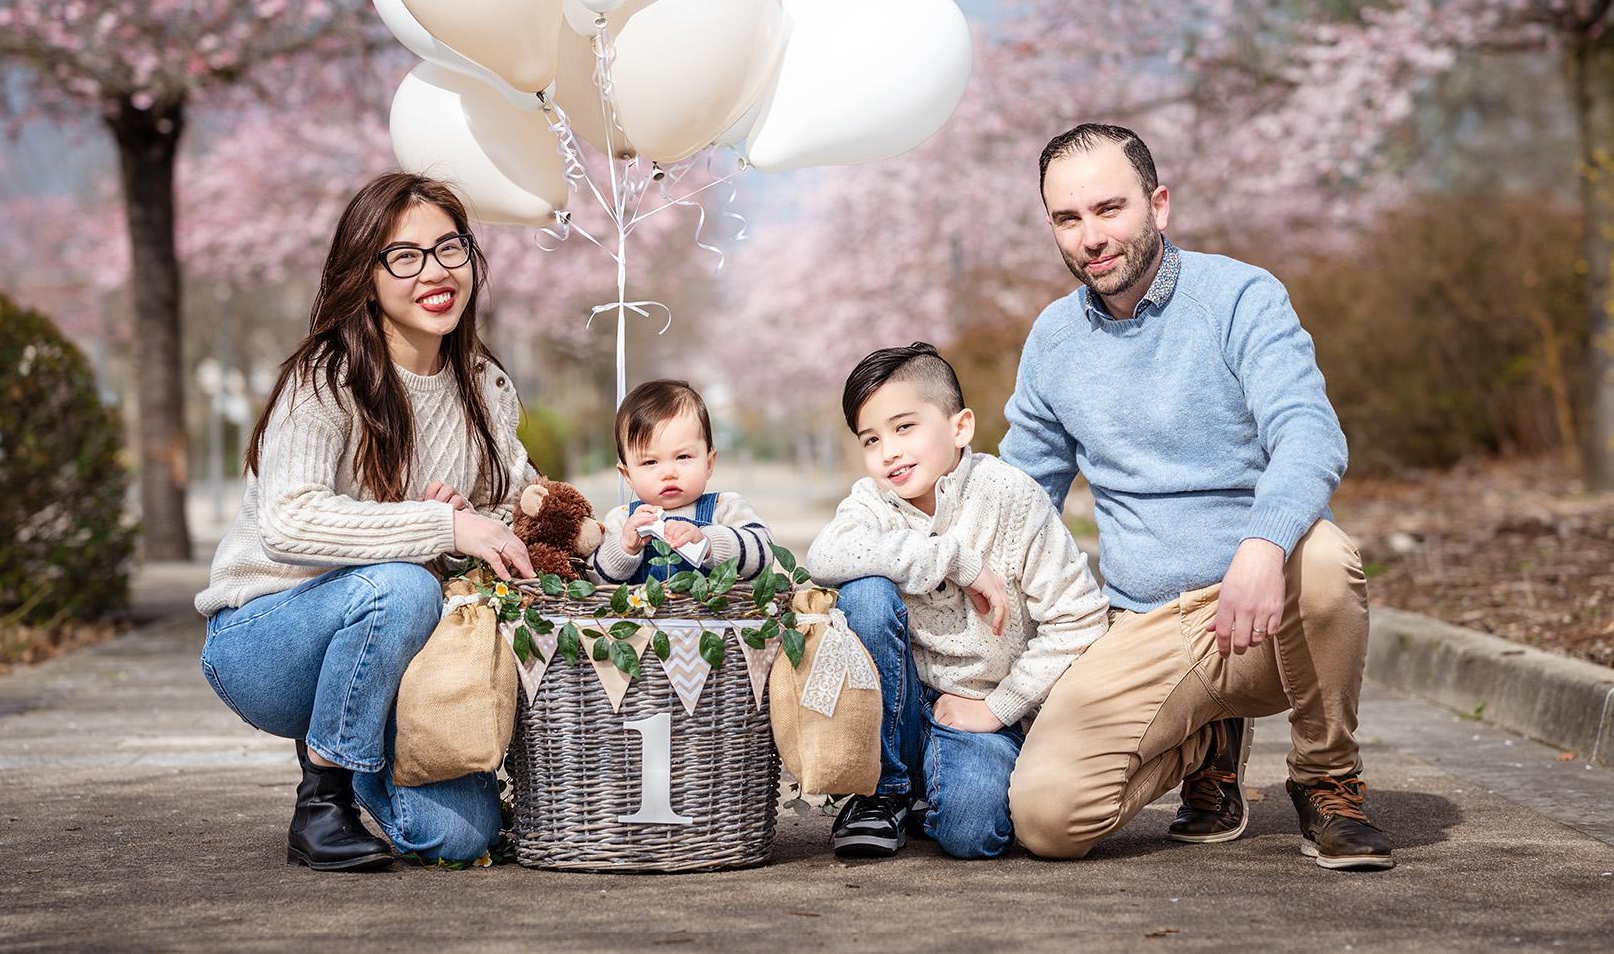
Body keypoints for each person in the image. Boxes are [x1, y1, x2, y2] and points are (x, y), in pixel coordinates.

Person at [999, 123, 1393, 870]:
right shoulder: (1052, 339)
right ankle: (1204, 743)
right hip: (1142, 623)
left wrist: (1260, 544)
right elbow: (1021, 491)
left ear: (1158, 204)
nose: (1091, 236)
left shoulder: (1240, 295)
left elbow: (1309, 435)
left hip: (1265, 608)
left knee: (1325, 557)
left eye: (1109, 208)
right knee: (1046, 820)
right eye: (1067, 218)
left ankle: (1325, 778)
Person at [195, 172, 537, 871]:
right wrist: (439, 529)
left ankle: (350, 741)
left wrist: (475, 519)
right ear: (364, 274)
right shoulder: (324, 378)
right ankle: (321, 801)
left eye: (450, 247)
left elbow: (513, 511)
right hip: (265, 638)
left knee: (460, 836)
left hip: (389, 648)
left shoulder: (483, 387)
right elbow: (287, 521)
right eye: (404, 256)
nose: (435, 272)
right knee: (401, 586)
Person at [806, 343, 1108, 860]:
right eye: (871, 439)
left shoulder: (1010, 497)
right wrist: (953, 560)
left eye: (905, 428)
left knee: (972, 832)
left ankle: (934, 787)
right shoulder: (873, 501)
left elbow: (1079, 620)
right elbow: (826, 554)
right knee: (866, 594)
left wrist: (1000, 707)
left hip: (977, 706)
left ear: (960, 427)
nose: (889, 452)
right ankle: (884, 791)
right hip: (896, 708)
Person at [591, 378, 776, 585]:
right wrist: (624, 547)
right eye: (650, 461)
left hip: (713, 617)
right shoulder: (622, 520)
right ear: (627, 476)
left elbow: (766, 553)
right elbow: (592, 578)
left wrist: (709, 544)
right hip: (642, 618)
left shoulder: (724, 508)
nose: (669, 472)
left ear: (708, 463)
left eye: (683, 457)